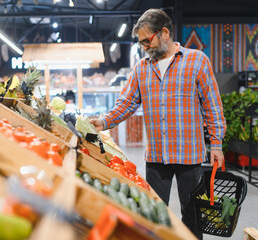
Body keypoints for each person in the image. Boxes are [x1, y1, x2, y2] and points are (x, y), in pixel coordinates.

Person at [89, 9, 226, 239]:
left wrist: (216, 144)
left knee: (192, 214)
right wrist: (103, 121)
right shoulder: (142, 68)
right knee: (153, 213)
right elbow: (126, 103)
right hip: (156, 159)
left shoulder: (197, 61)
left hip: (189, 156)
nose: (144, 47)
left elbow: (212, 106)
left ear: (164, 33)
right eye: (141, 43)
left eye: (147, 41)